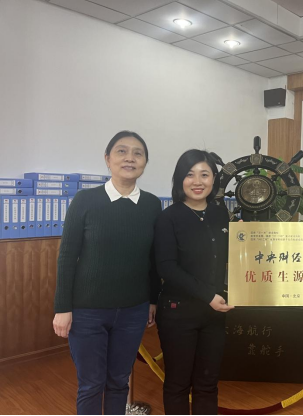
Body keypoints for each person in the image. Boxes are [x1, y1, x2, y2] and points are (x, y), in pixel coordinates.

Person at [52, 131, 162, 415]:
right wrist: (62, 308)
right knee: (91, 384)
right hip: (87, 311)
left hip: (133, 311)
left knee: (118, 381)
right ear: (107, 159)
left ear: (145, 162)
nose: (129, 158)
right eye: (121, 151)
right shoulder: (85, 200)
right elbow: (67, 256)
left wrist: (152, 300)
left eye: (138, 153)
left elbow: (153, 259)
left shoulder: (152, 205)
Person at [154, 150, 234, 416]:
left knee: (208, 384)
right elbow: (167, 267)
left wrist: (246, 238)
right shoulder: (168, 217)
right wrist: (208, 296)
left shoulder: (221, 214)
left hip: (214, 314)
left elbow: (230, 257)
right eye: (190, 175)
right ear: (180, 179)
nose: (197, 181)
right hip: (178, 312)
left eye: (204, 174)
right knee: (178, 383)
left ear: (214, 180)